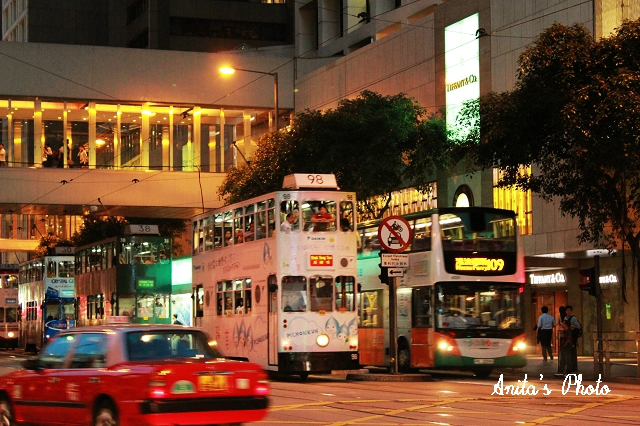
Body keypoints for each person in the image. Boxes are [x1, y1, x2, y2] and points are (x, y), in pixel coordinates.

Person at [564, 305, 581, 373]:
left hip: (572, 337)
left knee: (573, 352)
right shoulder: (565, 318)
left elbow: (578, 326)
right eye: (567, 310)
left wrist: (572, 326)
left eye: (569, 310)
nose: (568, 312)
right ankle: (570, 366)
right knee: (569, 352)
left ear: (571, 311)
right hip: (567, 336)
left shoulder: (573, 318)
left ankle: (574, 367)